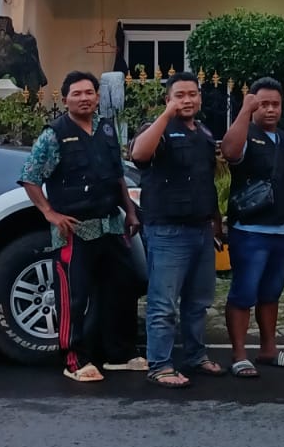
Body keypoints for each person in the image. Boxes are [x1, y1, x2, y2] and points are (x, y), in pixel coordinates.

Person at [18, 69, 145, 383]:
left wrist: (130, 211)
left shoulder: (107, 129)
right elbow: (30, 177)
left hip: (110, 225)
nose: (84, 98)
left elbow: (118, 175)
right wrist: (50, 213)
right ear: (65, 100)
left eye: (89, 92)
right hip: (74, 230)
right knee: (74, 297)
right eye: (76, 94)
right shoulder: (54, 134)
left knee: (122, 288)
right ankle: (75, 360)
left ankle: (118, 354)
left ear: (98, 97)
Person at [130, 71, 222, 389]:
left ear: (200, 97)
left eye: (192, 94)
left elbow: (208, 180)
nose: (187, 100)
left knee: (198, 302)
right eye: (179, 95)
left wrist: (216, 223)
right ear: (168, 99)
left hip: (201, 230)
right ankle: (160, 365)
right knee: (163, 304)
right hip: (168, 231)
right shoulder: (157, 128)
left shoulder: (204, 133)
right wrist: (166, 115)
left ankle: (195, 356)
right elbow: (139, 154)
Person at [219, 77, 284, 378]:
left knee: (271, 293)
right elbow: (229, 152)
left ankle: (268, 349)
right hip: (250, 231)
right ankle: (239, 354)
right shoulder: (246, 134)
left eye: (275, 104)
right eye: (263, 104)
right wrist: (244, 110)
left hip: (282, 231)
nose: (270, 109)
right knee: (243, 293)